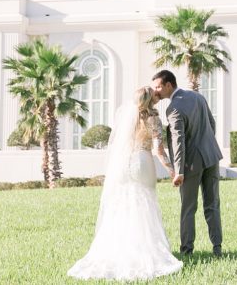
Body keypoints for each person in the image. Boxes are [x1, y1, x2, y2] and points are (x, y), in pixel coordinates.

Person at [68, 86, 183, 281]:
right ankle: (144, 251)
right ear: (149, 100)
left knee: (122, 206)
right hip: (142, 161)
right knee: (144, 205)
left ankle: (119, 248)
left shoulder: (128, 118)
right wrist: (173, 170)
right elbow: (159, 149)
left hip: (123, 163)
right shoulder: (152, 118)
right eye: (154, 94)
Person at [151, 69, 223, 257]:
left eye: (158, 86)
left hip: (191, 164)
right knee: (213, 204)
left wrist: (179, 170)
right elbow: (211, 123)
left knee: (188, 207)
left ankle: (187, 250)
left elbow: (178, 141)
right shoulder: (197, 96)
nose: (156, 90)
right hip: (212, 157)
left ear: (169, 85)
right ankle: (217, 247)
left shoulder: (173, 108)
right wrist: (206, 146)